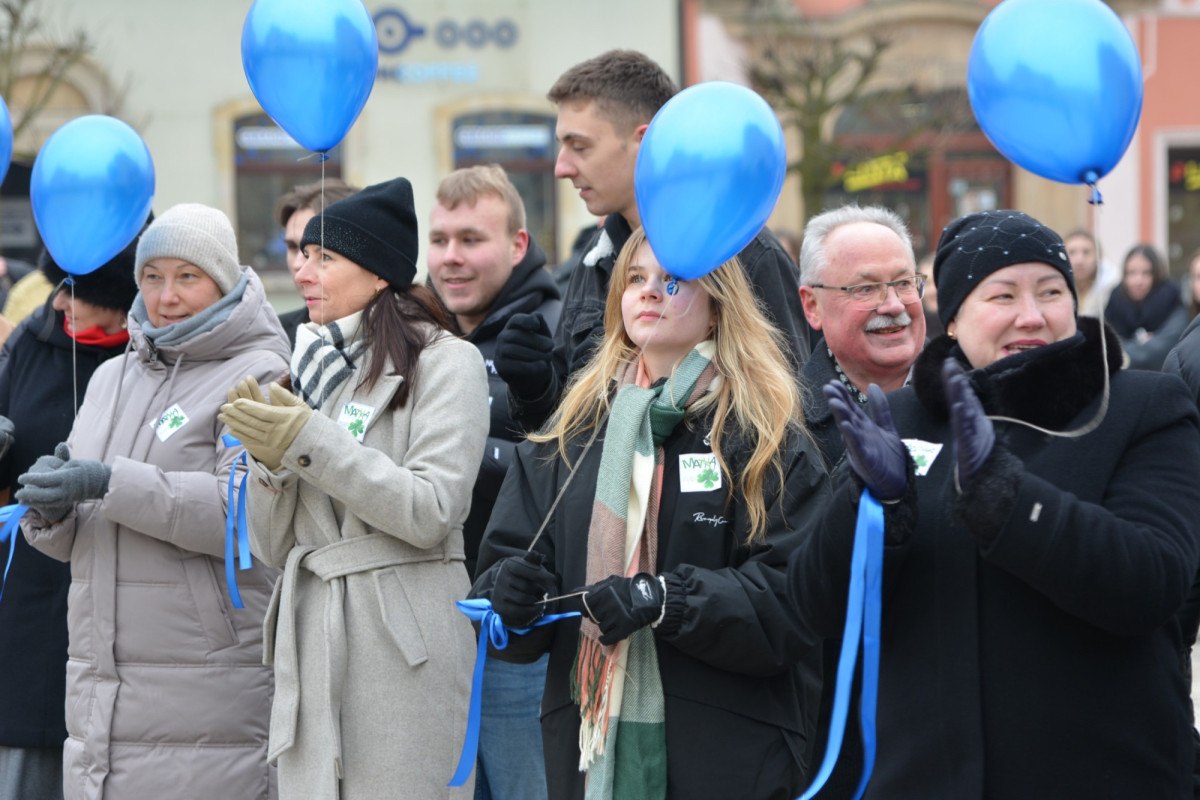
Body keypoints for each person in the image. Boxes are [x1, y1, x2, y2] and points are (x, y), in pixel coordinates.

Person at [788, 210, 1200, 797]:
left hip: (1102, 776)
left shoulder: (1142, 408)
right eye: (1002, 295)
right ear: (951, 319)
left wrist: (1011, 497)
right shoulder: (901, 418)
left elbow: (1152, 582)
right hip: (923, 780)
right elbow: (814, 609)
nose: (1031, 316)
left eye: (1051, 292)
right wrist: (867, 506)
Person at [473, 227, 831, 799]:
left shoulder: (765, 436)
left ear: (718, 307)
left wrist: (664, 600)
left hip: (728, 761)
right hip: (588, 761)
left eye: (672, 280)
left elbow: (795, 602)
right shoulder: (570, 436)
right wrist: (507, 597)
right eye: (634, 279)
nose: (648, 292)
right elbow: (504, 599)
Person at [219, 177, 489, 799]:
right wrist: (270, 467)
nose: (304, 271)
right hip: (312, 635)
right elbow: (269, 546)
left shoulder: (448, 362)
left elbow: (432, 510)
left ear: (376, 274)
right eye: (303, 255)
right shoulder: (306, 367)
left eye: (325, 258)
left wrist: (308, 440)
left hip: (404, 646)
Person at [16, 204, 290, 800]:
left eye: (187, 277)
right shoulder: (112, 378)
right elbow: (88, 527)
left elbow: (242, 517)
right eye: (152, 277)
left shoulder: (262, 374)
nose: (166, 297)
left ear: (223, 279)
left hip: (207, 683)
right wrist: (55, 506)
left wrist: (106, 481)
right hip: (98, 677)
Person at [494, 49, 811, 430]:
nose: (561, 167)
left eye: (579, 146)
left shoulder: (745, 252)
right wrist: (533, 386)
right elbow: (565, 427)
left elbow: (793, 412)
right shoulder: (598, 256)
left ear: (645, 141)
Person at [426, 163, 561, 800]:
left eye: (471, 240)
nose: (450, 258)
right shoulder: (414, 332)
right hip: (429, 632)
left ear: (517, 245)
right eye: (440, 239)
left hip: (520, 642)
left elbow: (573, 465)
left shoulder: (555, 330)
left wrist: (467, 457)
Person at [0, 239, 141, 800]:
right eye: (55, 285)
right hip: (32, 610)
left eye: (73, 288)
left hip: (130, 607)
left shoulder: (160, 358)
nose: (58, 302)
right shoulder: (32, 341)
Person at [797, 205, 926, 469]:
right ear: (813, 306)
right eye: (865, 288)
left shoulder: (972, 395)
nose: (894, 305)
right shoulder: (779, 425)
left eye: (904, 283)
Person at [274, 178, 359, 345]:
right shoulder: (276, 337)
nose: (298, 264)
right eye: (292, 247)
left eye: (321, 252)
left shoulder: (414, 340)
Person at [1105, 243, 1187, 370]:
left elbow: (1167, 347)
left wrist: (1128, 350)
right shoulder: (1115, 302)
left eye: (1146, 273)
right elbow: (1106, 344)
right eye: (1131, 273)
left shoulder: (1172, 299)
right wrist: (1141, 345)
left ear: (1156, 275)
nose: (1138, 281)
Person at [1063, 229, 1117, 318]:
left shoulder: (1113, 288)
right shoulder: (1053, 287)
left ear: (1098, 256)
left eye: (1086, 252)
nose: (1079, 260)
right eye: (1072, 252)